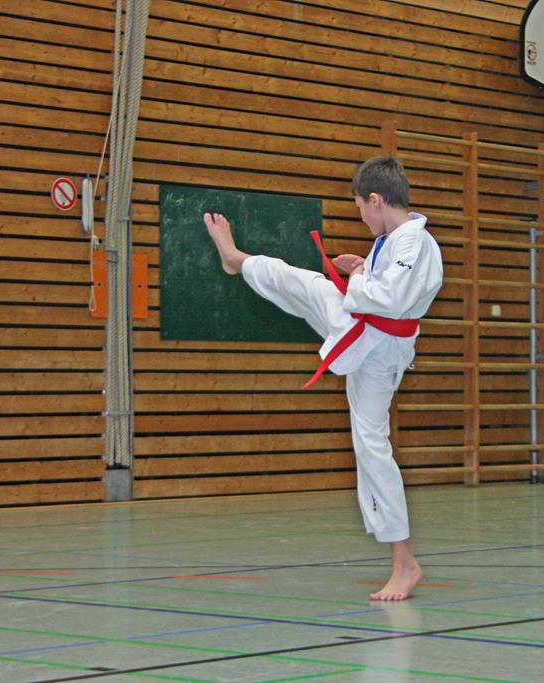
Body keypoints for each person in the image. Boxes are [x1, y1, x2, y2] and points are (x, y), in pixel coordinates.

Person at [203, 156, 443, 600]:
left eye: (361, 208)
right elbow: (386, 288)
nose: (362, 216)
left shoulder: (414, 241)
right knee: (305, 283)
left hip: (377, 346)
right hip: (368, 336)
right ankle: (237, 260)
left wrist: (359, 276)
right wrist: (364, 267)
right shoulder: (396, 240)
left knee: (371, 445)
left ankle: (405, 563)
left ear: (375, 200)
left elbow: (389, 299)